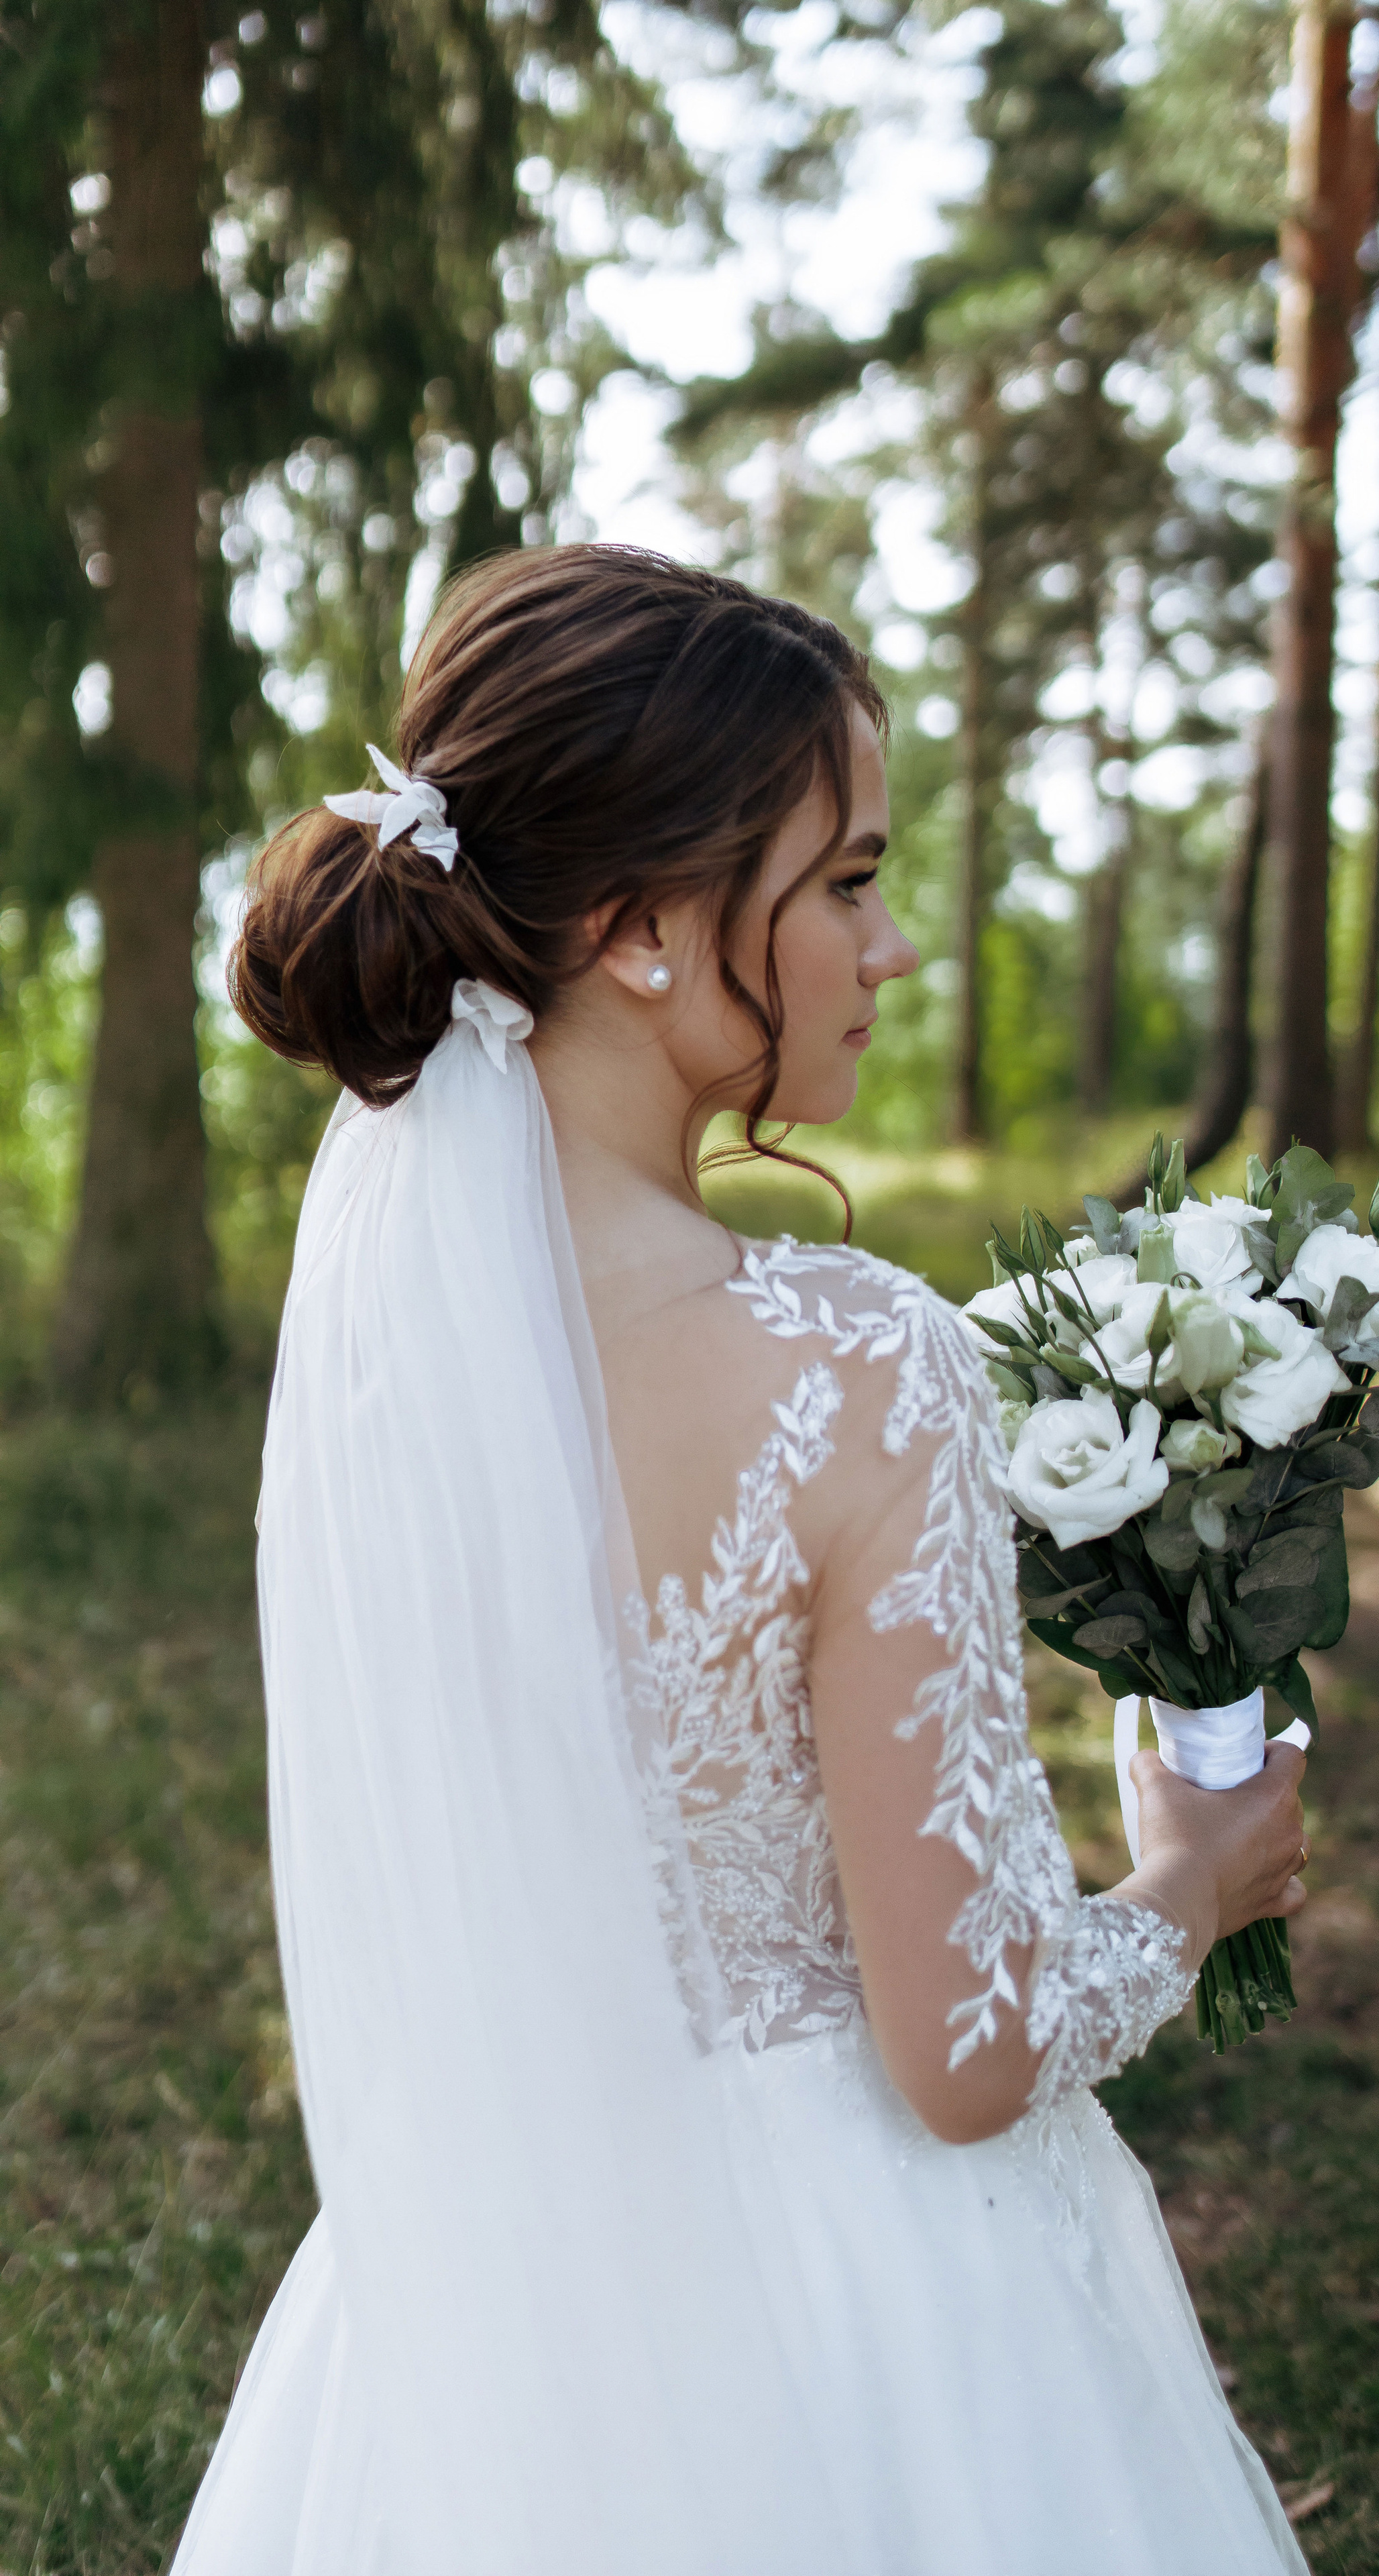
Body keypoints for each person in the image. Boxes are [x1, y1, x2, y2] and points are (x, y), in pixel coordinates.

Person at [172, 544, 1311, 2575]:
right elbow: (957, 2058)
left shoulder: (380, 1360)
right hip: (863, 2317)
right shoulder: (861, 1366)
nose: (894, 949)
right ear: (632, 928)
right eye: (849, 882)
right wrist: (1193, 1887)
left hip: (475, 2320)